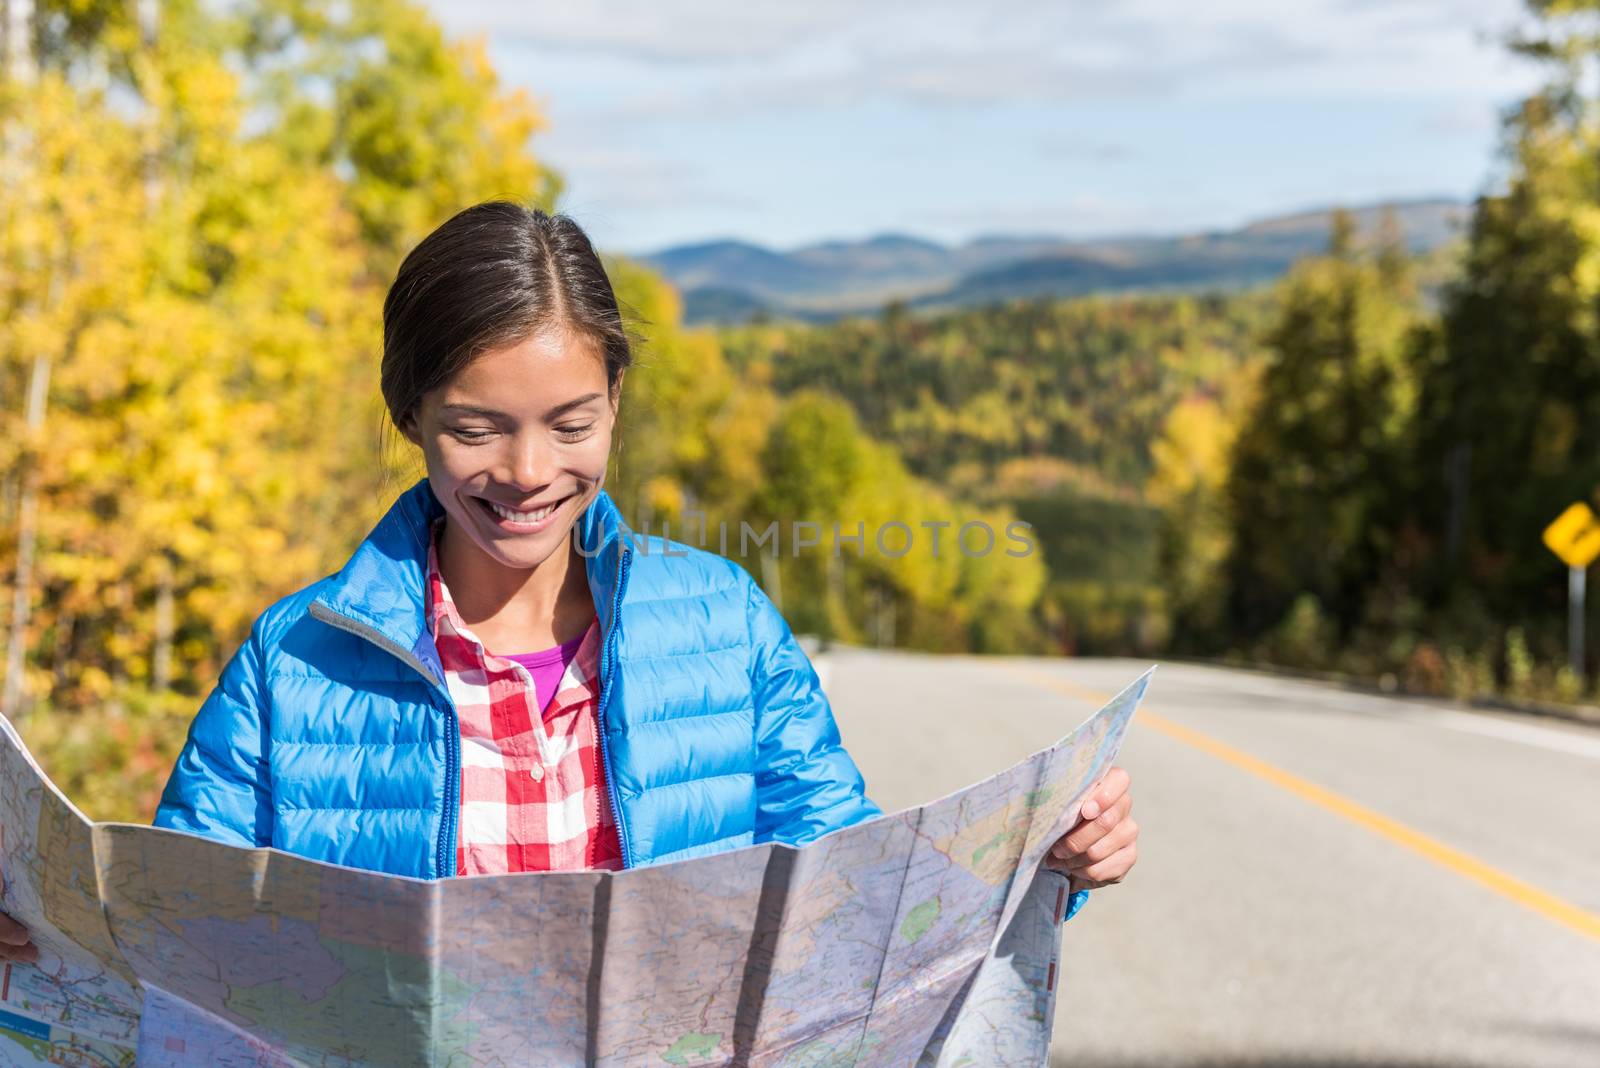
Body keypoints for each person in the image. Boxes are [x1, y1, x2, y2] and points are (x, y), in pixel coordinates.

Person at [0, 200, 1138, 964]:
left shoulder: (725, 626)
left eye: (571, 424)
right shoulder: (289, 665)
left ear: (617, 405)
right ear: (410, 417)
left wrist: (1042, 867)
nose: (529, 475)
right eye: (475, 430)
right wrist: (38, 933)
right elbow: (162, 943)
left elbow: (861, 902)